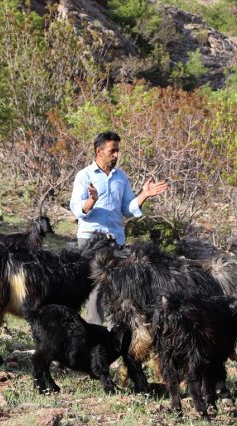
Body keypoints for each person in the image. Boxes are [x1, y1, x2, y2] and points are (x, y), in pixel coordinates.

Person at [69, 131, 168, 324]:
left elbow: (127, 209)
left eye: (117, 151)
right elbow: (77, 210)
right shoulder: (84, 175)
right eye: (112, 151)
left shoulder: (121, 177)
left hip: (115, 239)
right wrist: (92, 200)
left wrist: (144, 195)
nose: (116, 155)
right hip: (91, 238)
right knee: (94, 290)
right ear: (99, 151)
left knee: (119, 287)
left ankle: (117, 335)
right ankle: (96, 336)